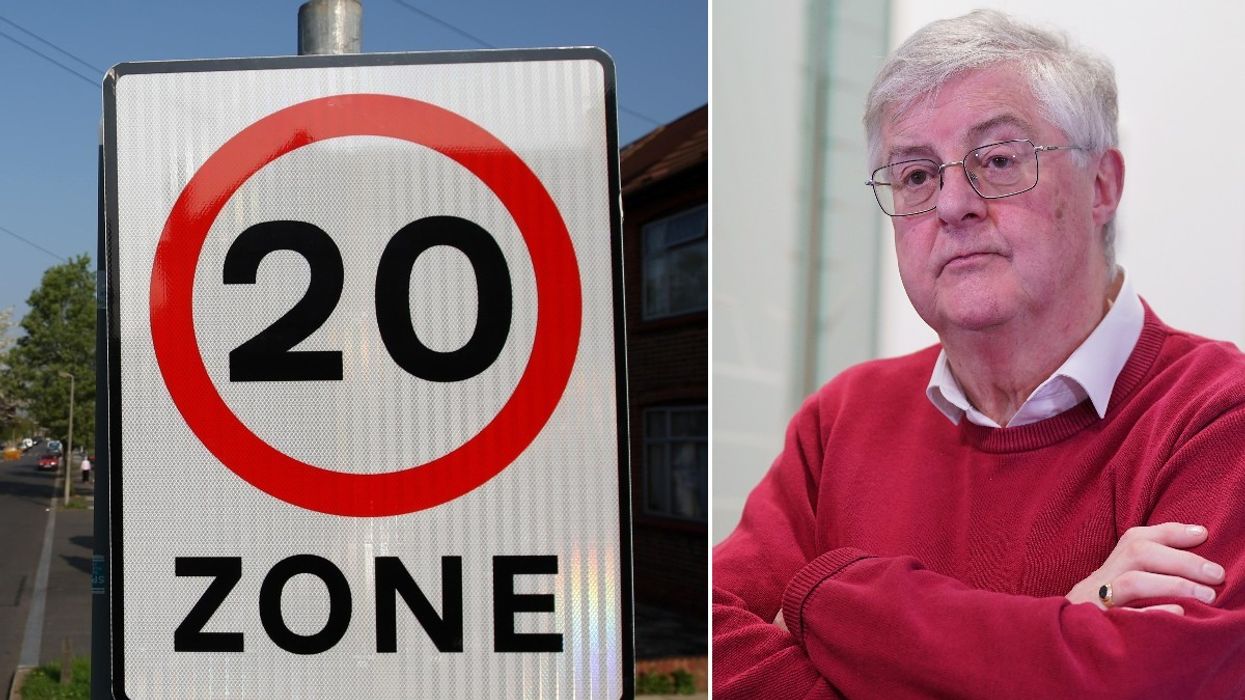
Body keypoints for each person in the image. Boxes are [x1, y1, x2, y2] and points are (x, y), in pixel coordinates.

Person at [713, 10, 1245, 698]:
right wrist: (1065, 627)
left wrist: (826, 595)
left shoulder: (1216, 419)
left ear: (1101, 187)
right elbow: (715, 645)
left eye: (997, 160)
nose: (951, 204)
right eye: (913, 176)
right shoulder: (842, 418)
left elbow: (1150, 682)